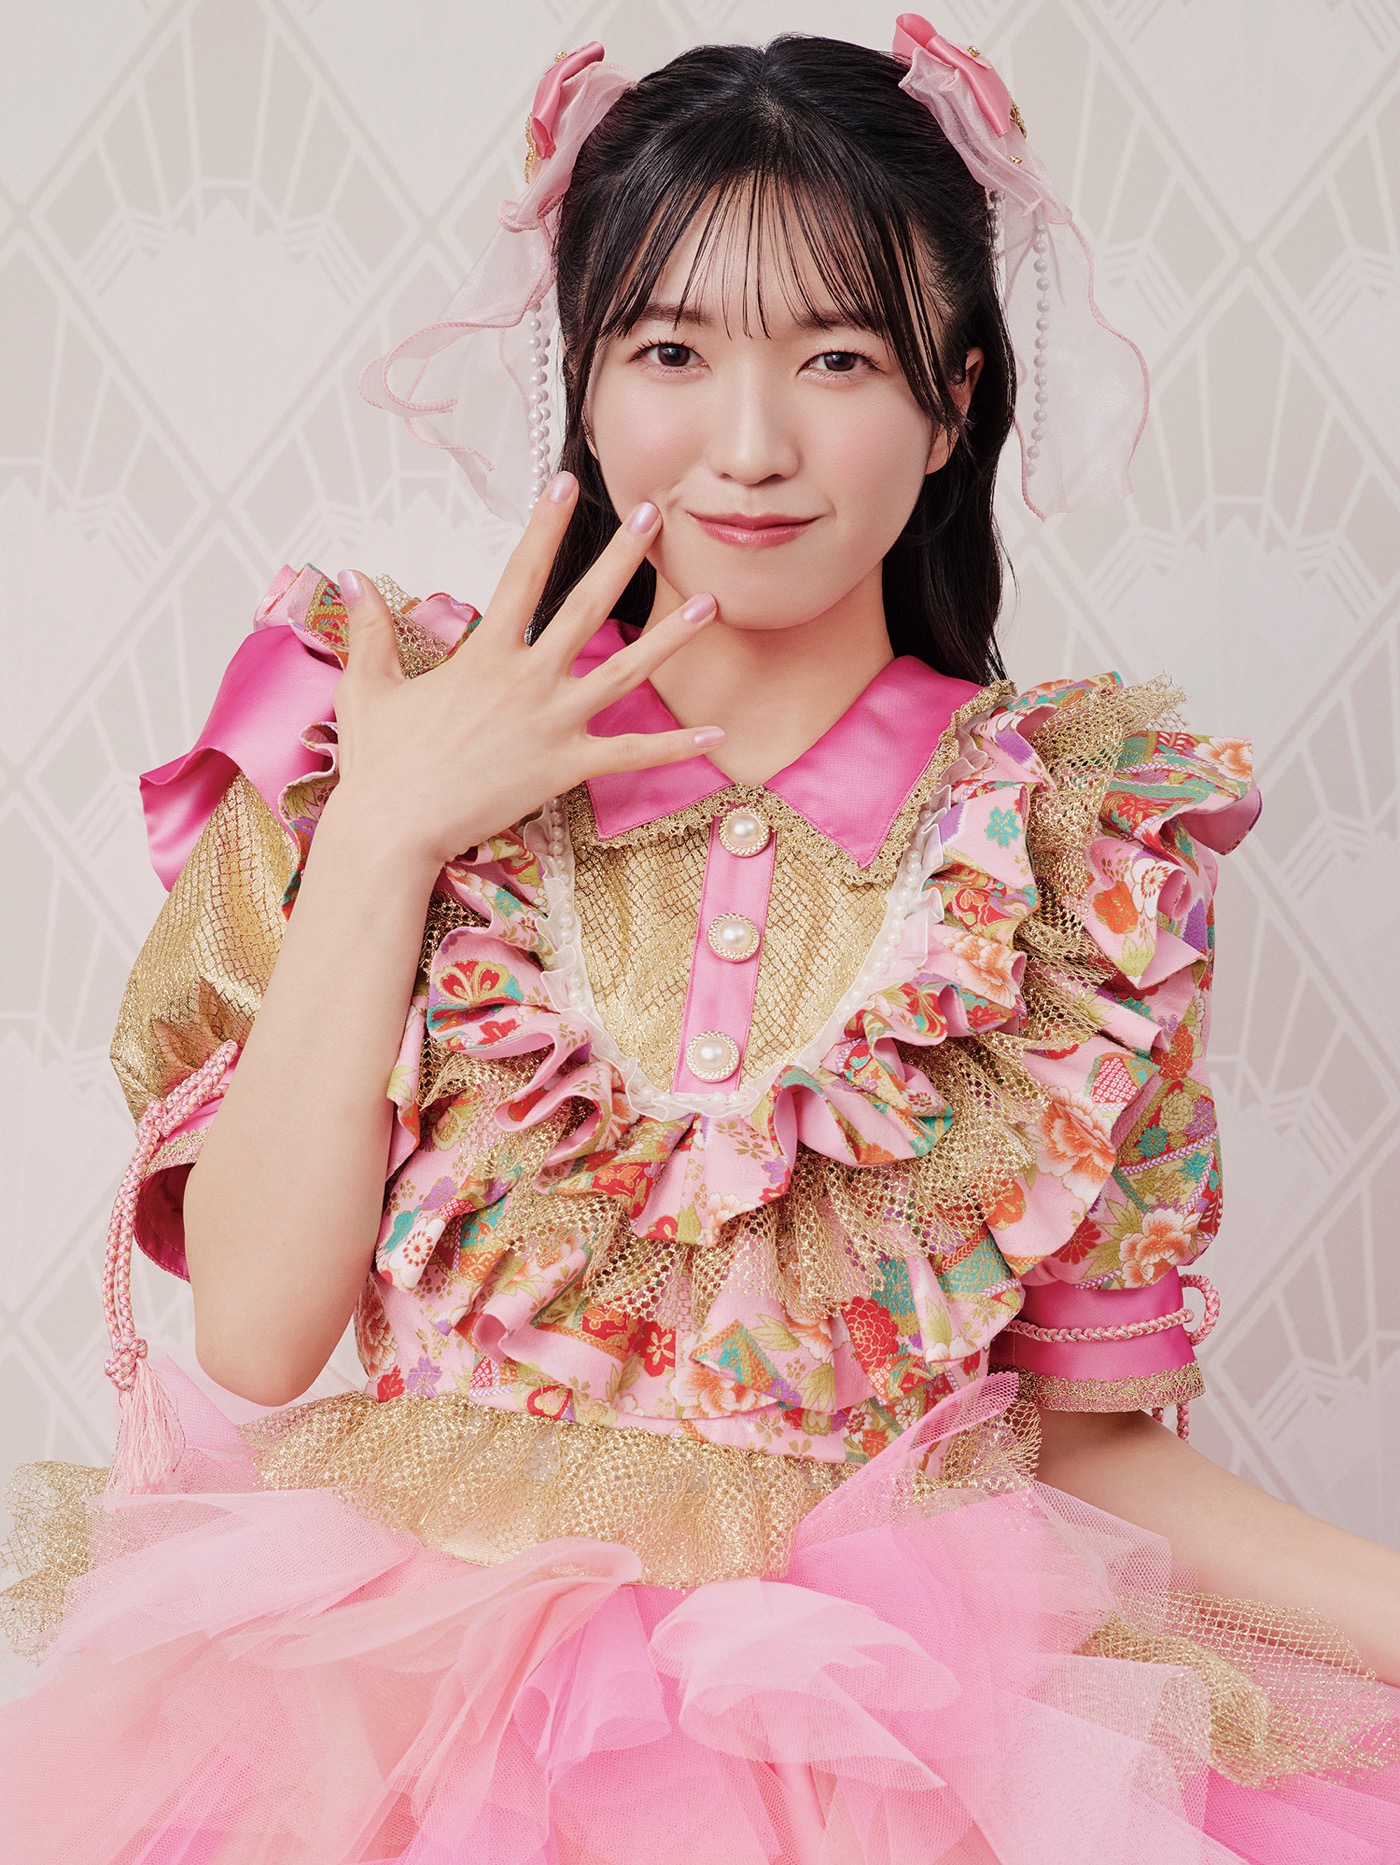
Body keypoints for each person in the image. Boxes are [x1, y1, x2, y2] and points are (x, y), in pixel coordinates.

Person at [2, 21, 1398, 1863]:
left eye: (837, 358)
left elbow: (1094, 1449)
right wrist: (394, 828)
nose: (751, 445)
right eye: (671, 351)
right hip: (415, 1736)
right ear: (584, 379)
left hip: (903, 1751)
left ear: (954, 398)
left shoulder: (1081, 854)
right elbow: (260, 1335)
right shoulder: (374, 726)